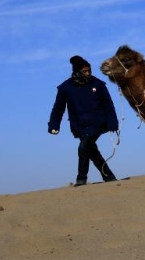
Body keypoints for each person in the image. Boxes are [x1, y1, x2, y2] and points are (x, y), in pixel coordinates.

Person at [49, 55, 119, 187]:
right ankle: (109, 176)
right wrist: (54, 125)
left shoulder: (98, 84)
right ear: (77, 72)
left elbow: (108, 105)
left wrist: (112, 123)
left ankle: (81, 179)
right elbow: (58, 108)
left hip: (97, 123)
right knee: (91, 150)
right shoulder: (65, 88)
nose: (88, 73)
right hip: (79, 126)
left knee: (83, 148)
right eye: (84, 71)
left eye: (89, 70)